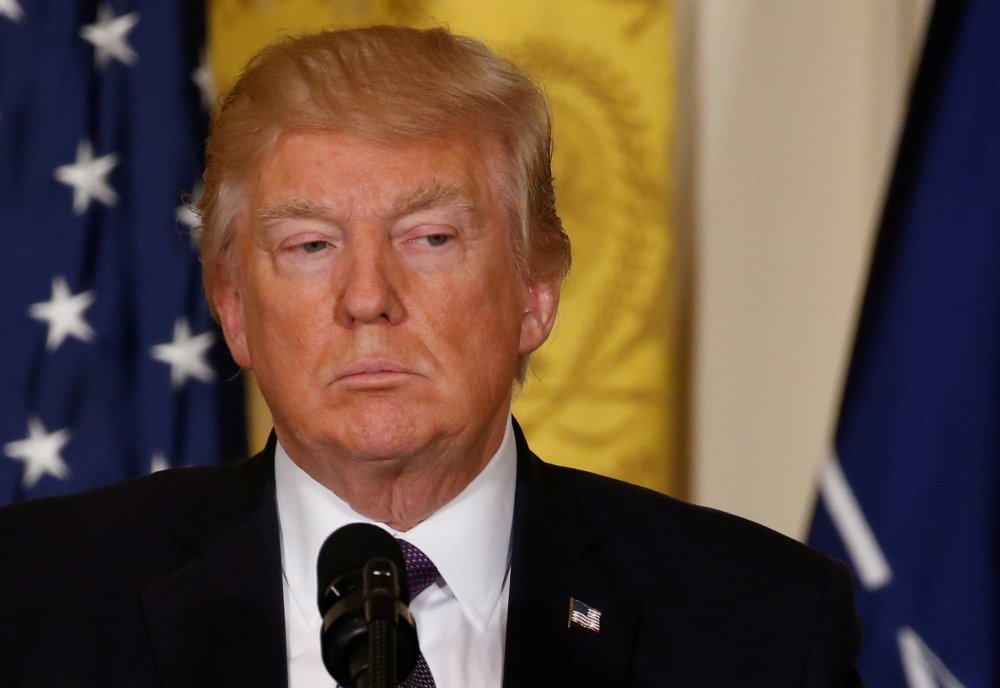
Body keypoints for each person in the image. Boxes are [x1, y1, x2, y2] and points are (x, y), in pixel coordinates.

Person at [0, 26, 862, 687]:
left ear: (535, 293)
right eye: (309, 245)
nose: (367, 296)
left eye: (431, 237)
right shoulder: (34, 604)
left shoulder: (761, 625)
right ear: (234, 309)